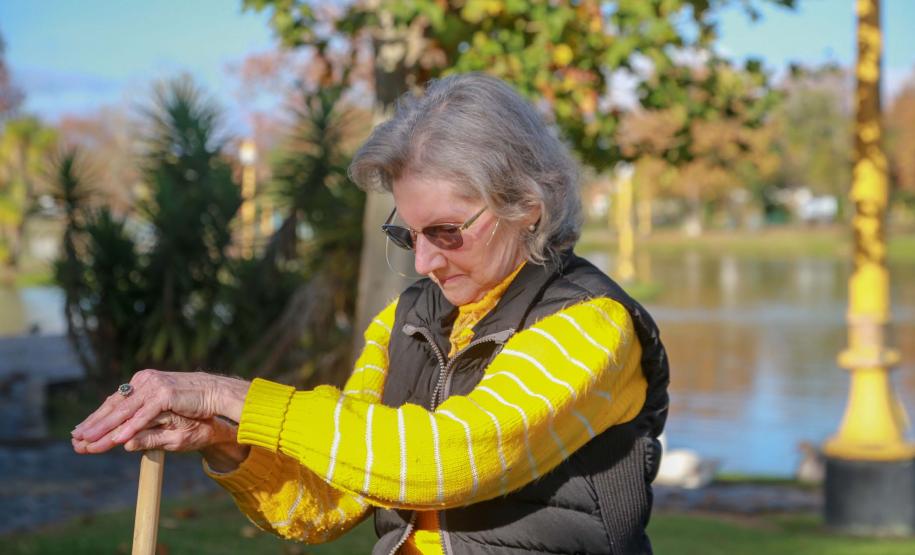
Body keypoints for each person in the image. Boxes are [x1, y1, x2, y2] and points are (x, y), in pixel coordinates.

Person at [72, 73, 670, 555]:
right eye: (409, 235)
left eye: (446, 231)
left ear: (528, 208)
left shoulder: (589, 323)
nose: (425, 262)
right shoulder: (404, 320)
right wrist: (229, 441)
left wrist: (229, 396)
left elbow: (450, 457)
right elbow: (329, 501)